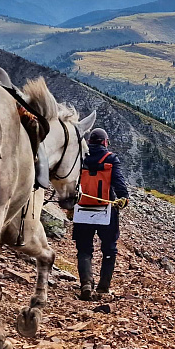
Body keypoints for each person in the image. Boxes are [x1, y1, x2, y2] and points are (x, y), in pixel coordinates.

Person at [73, 127, 129, 300]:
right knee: (109, 247)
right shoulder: (110, 158)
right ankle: (103, 288)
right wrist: (124, 198)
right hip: (106, 209)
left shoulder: (80, 157)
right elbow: (119, 182)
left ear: (89, 142)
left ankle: (86, 283)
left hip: (81, 208)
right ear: (105, 142)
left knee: (84, 248)